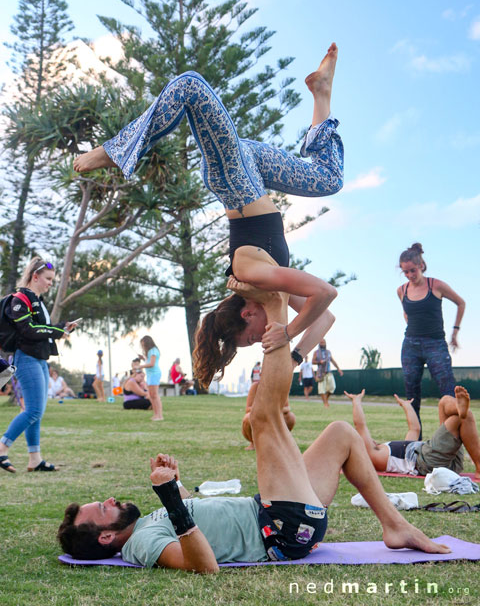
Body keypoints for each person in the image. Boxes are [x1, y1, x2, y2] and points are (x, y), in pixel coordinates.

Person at [58, 286, 449, 571]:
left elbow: (195, 518)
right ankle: (275, 305)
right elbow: (203, 566)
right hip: (277, 528)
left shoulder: (145, 524)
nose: (109, 499)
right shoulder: (140, 544)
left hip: (278, 512)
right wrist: (173, 502)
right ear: (106, 537)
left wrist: (176, 486)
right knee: (263, 418)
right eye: (102, 509)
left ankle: (395, 526)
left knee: (341, 434)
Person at [73, 45, 344, 387]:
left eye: (251, 338)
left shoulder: (250, 275)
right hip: (252, 170)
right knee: (328, 178)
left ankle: (116, 150)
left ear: (247, 315)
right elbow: (325, 316)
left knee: (190, 86)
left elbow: (326, 293)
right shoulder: (273, 293)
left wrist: (286, 332)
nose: (260, 340)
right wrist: (292, 355)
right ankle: (321, 91)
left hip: (233, 175)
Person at [0, 257, 77, 474]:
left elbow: (41, 328)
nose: (51, 283)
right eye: (48, 279)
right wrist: (56, 331)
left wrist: (62, 328)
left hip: (40, 360)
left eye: (53, 279)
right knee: (33, 410)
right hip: (26, 358)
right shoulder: (21, 298)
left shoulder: (37, 300)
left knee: (36, 412)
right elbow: (28, 330)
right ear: (35, 277)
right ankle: (2, 447)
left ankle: (35, 459)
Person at [397, 243, 465, 433]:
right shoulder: (401, 290)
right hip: (410, 346)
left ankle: (451, 439)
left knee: (448, 392)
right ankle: (415, 444)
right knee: (411, 397)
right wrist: (412, 328)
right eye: (406, 272)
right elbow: (406, 313)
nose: (410, 275)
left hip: (436, 344)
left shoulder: (435, 285)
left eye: (413, 270)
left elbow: (461, 303)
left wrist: (455, 332)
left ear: (421, 266)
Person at [344, 387, 480, 479]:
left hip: (440, 459)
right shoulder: (374, 456)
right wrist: (356, 401)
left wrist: (407, 406)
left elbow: (414, 429)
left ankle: (458, 407)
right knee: (461, 418)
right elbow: (360, 426)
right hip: (428, 461)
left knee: (444, 401)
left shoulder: (390, 451)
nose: (368, 439)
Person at [138, 336, 163, 421]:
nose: (143, 346)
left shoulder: (153, 351)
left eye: (143, 344)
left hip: (154, 374)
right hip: (150, 375)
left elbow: (152, 364)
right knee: (151, 395)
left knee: (155, 395)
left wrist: (140, 366)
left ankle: (159, 415)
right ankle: (156, 414)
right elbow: (149, 361)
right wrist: (143, 358)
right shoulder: (150, 352)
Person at [313, 338, 343, 407]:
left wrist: (339, 369)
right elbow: (312, 362)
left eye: (323, 342)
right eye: (321, 342)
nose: (322, 343)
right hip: (321, 373)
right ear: (319, 343)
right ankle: (325, 404)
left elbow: (333, 361)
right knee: (322, 389)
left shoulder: (328, 352)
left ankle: (325, 400)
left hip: (329, 372)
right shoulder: (316, 352)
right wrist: (319, 362)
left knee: (332, 387)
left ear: (325, 343)